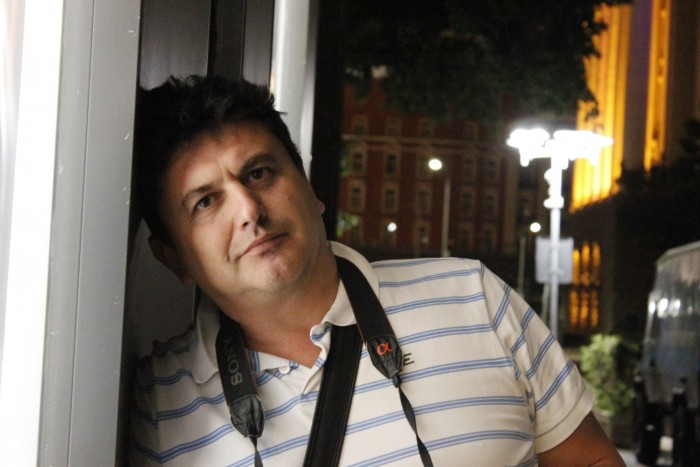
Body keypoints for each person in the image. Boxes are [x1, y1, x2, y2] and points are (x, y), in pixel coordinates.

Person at [128, 75, 624, 466]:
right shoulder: (158, 402)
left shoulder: (472, 297)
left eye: (259, 173)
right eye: (206, 201)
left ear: (310, 189)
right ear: (172, 256)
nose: (248, 210)